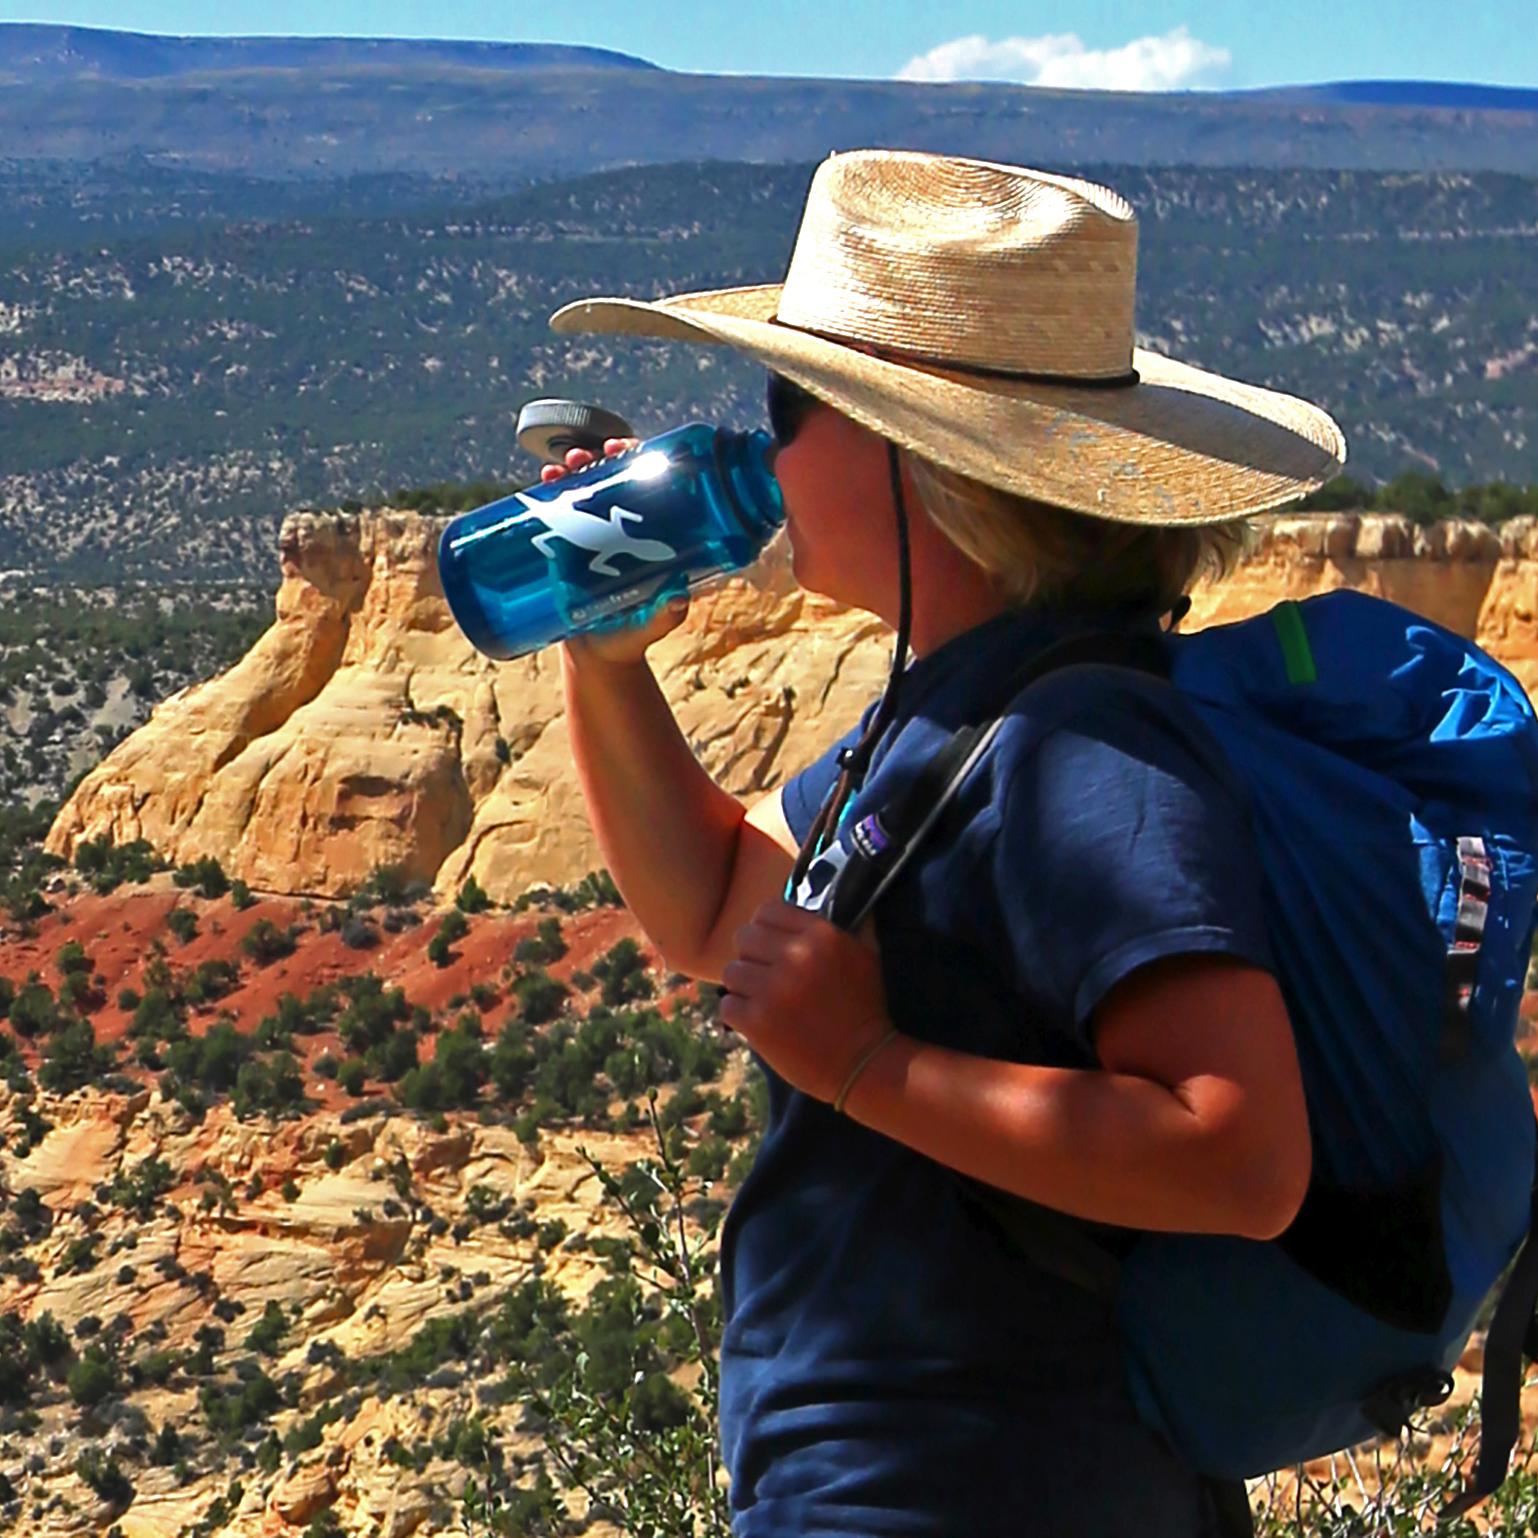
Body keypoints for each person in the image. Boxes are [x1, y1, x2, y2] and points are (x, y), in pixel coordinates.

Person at [543, 150, 1344, 1537]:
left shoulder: (1084, 750)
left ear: (916, 459)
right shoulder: (955, 707)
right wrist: (606, 660)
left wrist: (867, 1063)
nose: (759, 441)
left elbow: (1241, 1156)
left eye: (791, 402)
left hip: (983, 1480)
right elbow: (714, 913)